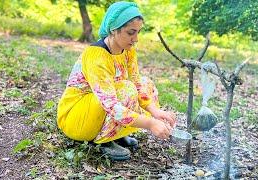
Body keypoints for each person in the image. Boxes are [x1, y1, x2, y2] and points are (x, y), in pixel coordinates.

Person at [57, 1, 176, 161]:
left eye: (138, 32)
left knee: (146, 84)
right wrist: (150, 124)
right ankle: (104, 141)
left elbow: (138, 84)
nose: (136, 39)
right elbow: (111, 105)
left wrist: (156, 112)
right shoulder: (96, 55)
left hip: (100, 107)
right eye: (131, 33)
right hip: (77, 117)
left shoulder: (128, 51)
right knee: (126, 89)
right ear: (114, 29)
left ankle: (116, 134)